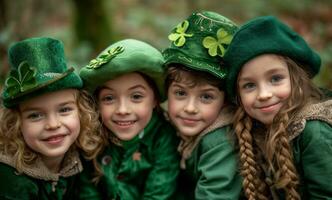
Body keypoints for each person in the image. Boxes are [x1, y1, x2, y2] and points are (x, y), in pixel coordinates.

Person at [223, 16, 332, 199]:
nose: (264, 94)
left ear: (298, 78)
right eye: (249, 85)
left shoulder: (314, 130)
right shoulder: (251, 130)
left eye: (275, 79)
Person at [0, 37, 102, 199]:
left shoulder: (80, 156)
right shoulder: (10, 181)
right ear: (15, 123)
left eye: (64, 110)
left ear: (81, 112)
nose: (53, 124)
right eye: (35, 115)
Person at [78, 39, 180, 200]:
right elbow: (86, 190)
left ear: (154, 99)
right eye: (109, 98)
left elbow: (158, 194)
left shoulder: (164, 138)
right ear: (97, 103)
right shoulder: (90, 137)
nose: (122, 110)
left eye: (136, 96)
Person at [162, 11, 242, 199]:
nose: (190, 108)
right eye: (180, 93)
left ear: (226, 101)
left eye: (206, 97)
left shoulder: (220, 142)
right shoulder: (171, 130)